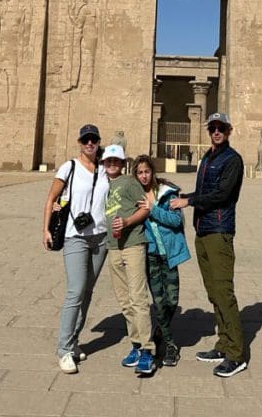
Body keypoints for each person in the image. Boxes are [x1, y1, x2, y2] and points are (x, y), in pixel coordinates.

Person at [170, 112, 247, 377]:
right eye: (212, 128)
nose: (216, 131)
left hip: (219, 230)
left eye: (221, 128)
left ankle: (237, 354)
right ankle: (223, 343)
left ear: (229, 130)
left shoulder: (232, 160)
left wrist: (189, 202)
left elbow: (222, 195)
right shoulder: (208, 158)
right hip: (203, 229)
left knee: (224, 292)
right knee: (213, 292)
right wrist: (184, 196)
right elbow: (205, 193)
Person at [42, 123, 110, 374]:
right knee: (76, 291)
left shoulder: (105, 169)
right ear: (80, 143)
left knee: (88, 292)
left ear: (98, 142)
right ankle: (63, 350)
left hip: (100, 238)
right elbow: (51, 199)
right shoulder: (68, 167)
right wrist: (45, 229)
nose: (90, 143)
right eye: (86, 140)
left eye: (93, 139)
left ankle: (73, 342)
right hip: (75, 237)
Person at [103, 144, 155, 376]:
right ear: (104, 163)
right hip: (113, 247)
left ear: (123, 163)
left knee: (138, 298)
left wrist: (126, 222)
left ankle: (147, 350)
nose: (112, 164)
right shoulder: (102, 184)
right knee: (125, 300)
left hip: (133, 244)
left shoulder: (130, 182)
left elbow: (145, 209)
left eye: (116, 161)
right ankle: (135, 344)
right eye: (108, 161)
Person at [134, 154, 189, 367]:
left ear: (153, 172)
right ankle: (170, 344)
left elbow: (176, 220)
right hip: (150, 255)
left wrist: (153, 209)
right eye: (139, 172)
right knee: (158, 302)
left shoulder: (167, 193)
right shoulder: (134, 195)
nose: (144, 175)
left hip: (170, 254)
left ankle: (160, 330)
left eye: (146, 171)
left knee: (172, 300)